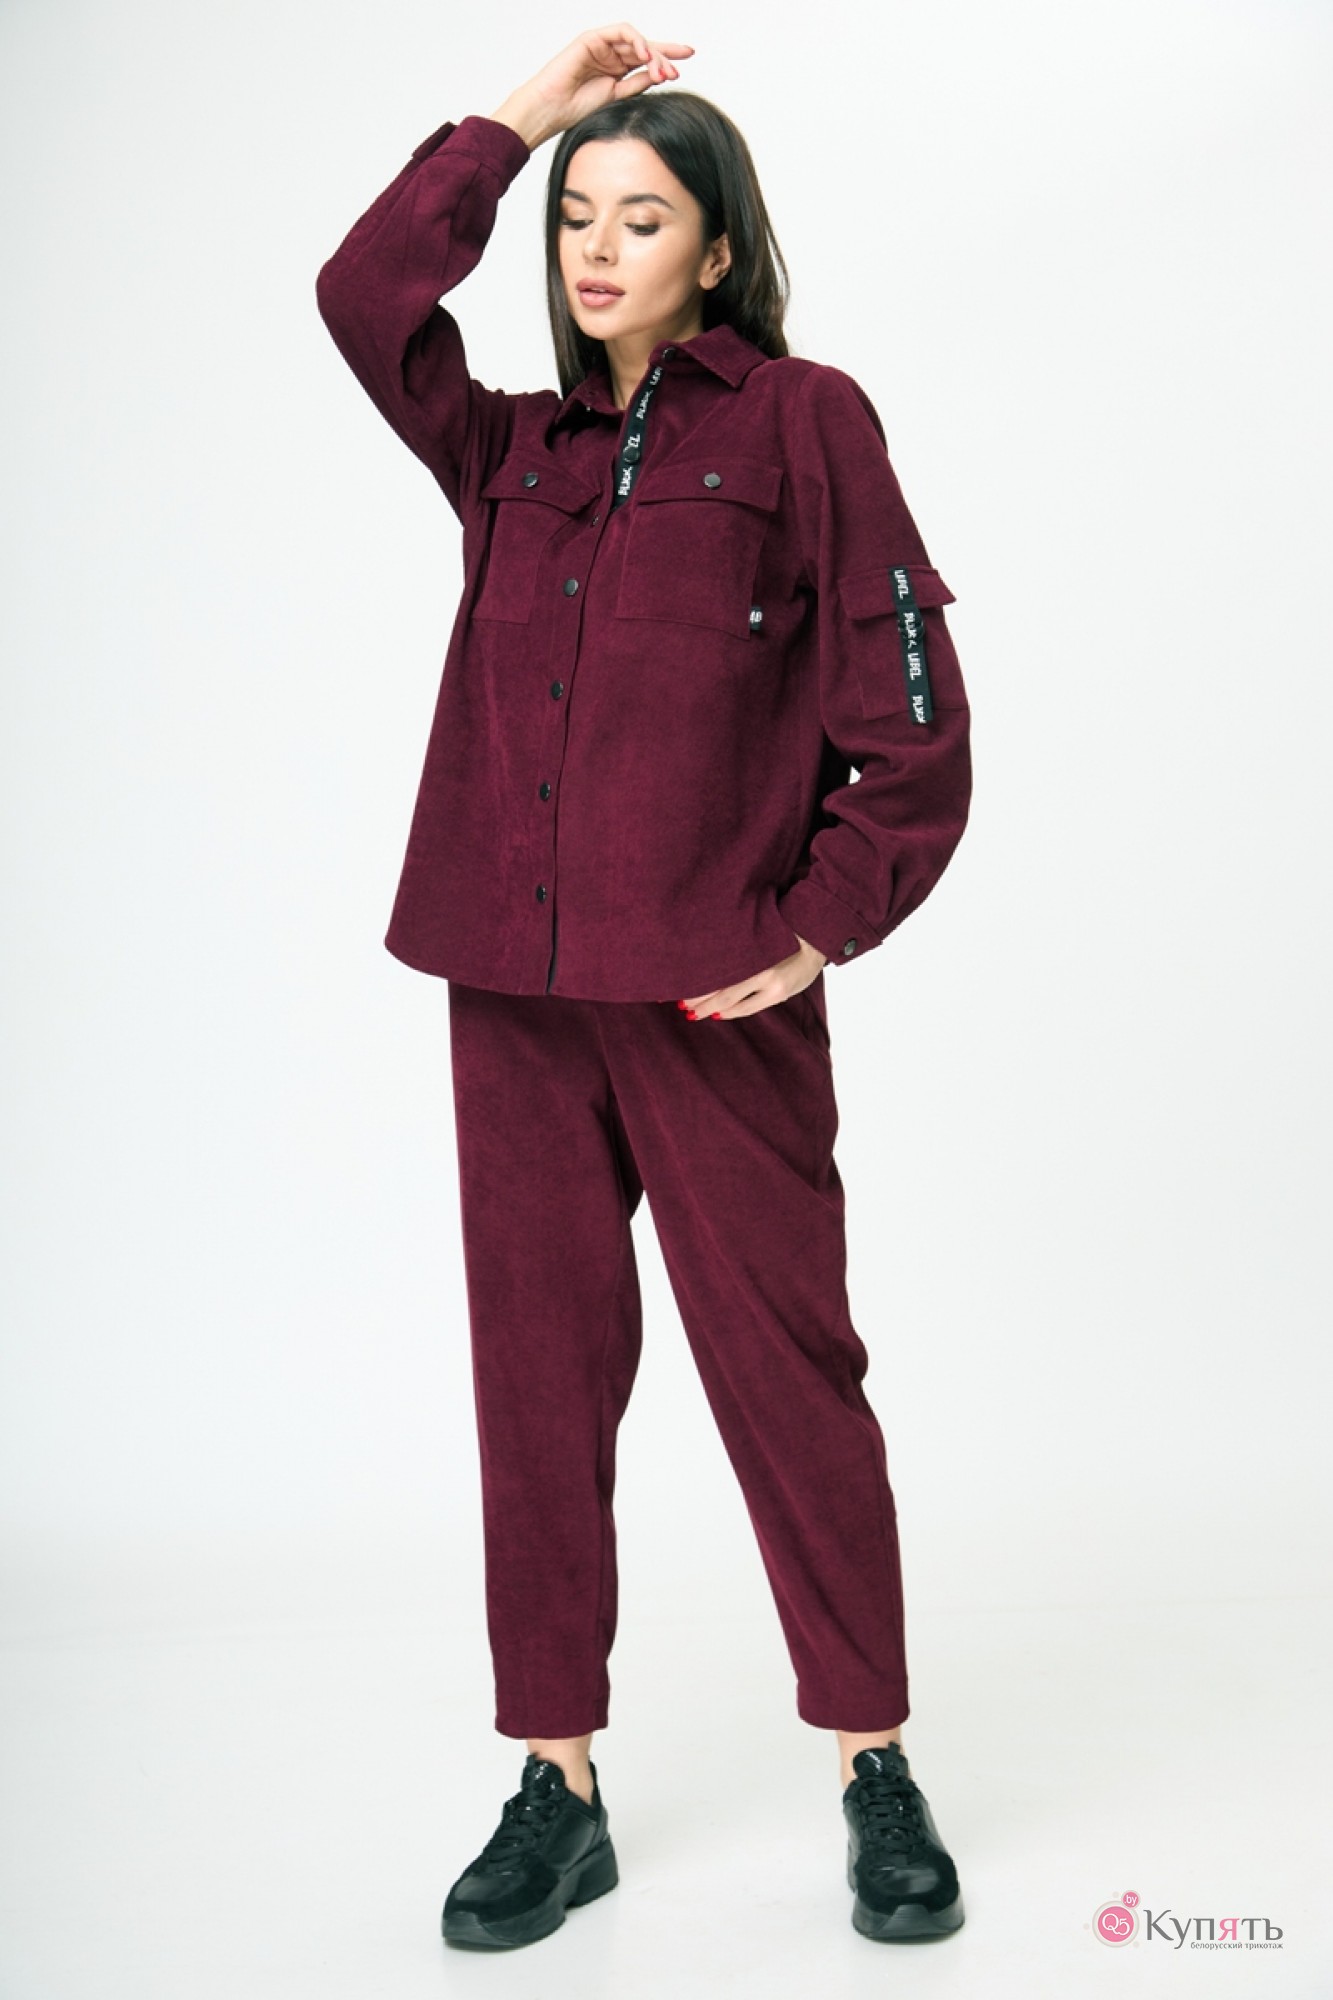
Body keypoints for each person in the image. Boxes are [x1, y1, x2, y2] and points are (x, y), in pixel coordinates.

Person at [316, 21, 972, 1954]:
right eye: (576, 218)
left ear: (718, 248)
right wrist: (526, 117)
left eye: (642, 217)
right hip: (512, 993)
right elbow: (361, 295)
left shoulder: (803, 424)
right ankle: (558, 1781)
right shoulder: (507, 446)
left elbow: (910, 711)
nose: (597, 249)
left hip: (709, 995)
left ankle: (872, 1762)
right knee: (536, 1386)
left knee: (789, 1376)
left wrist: (821, 922)